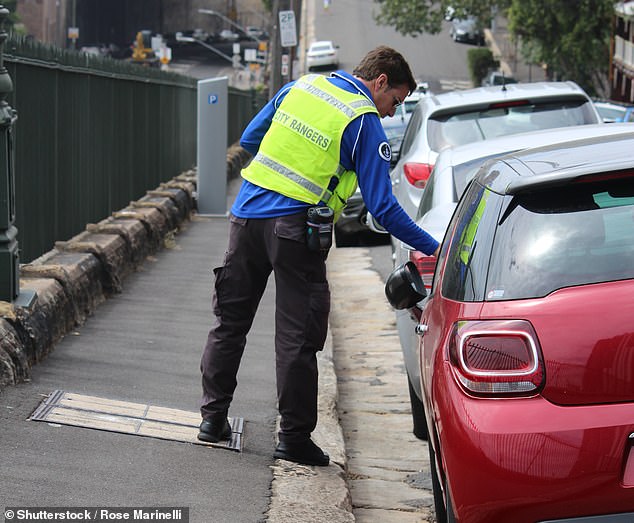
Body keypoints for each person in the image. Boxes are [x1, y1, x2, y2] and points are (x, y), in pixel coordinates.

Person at [198, 46, 439, 466]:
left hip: (246, 217)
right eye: (395, 102)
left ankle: (211, 419)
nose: (389, 113)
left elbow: (252, 139)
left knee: (229, 323)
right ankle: (293, 439)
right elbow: (382, 209)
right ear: (380, 81)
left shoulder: (302, 86)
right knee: (297, 336)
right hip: (295, 232)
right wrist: (435, 247)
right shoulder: (363, 122)